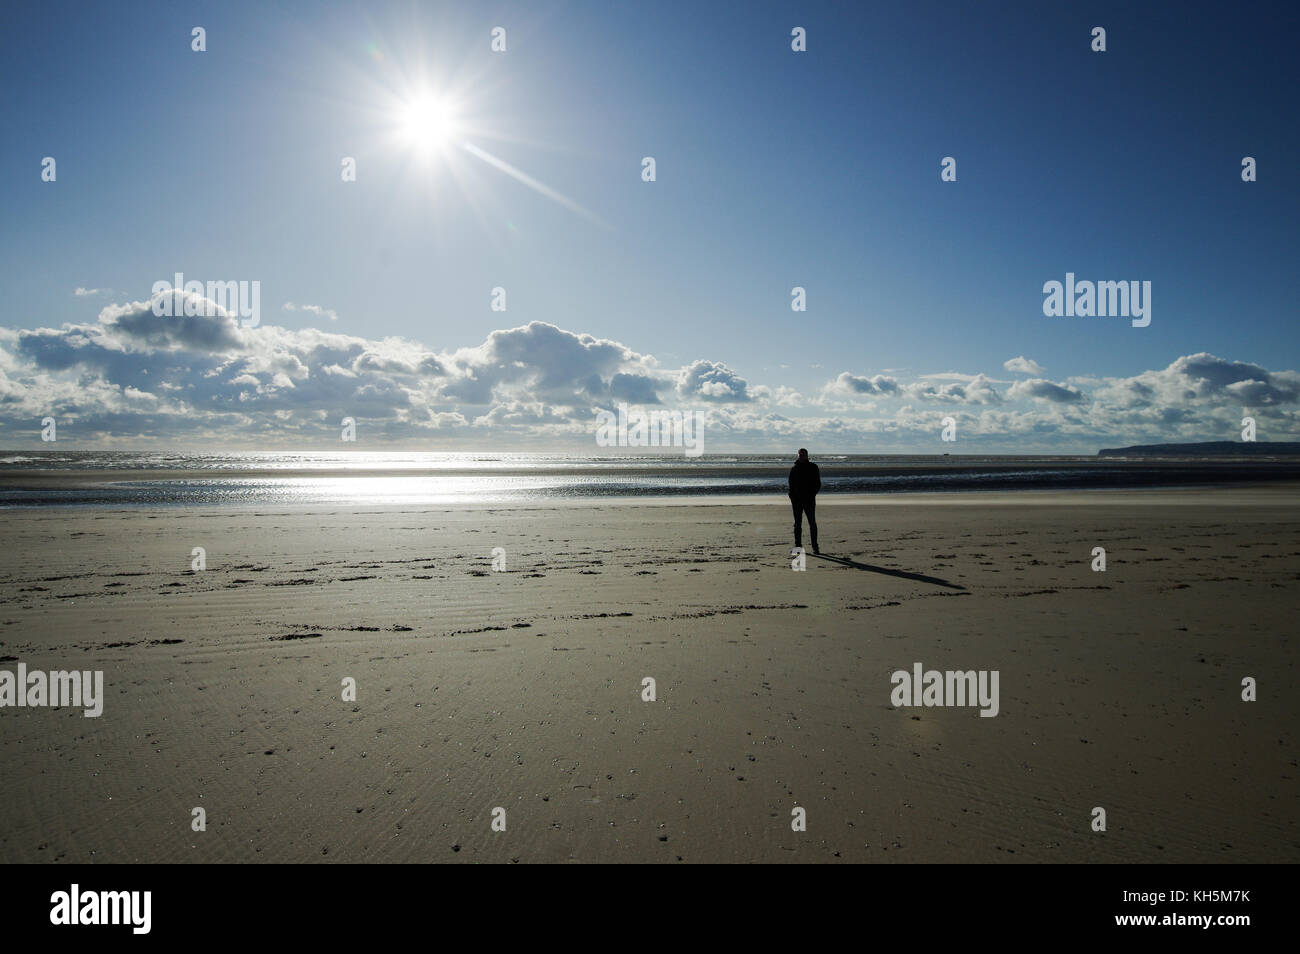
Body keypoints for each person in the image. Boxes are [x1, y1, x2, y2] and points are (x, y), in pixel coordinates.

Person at [787, 448, 821, 554]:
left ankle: (815, 547)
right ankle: (798, 546)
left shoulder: (813, 467)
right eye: (800, 455)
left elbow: (818, 484)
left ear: (807, 456)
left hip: (809, 500)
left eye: (803, 455)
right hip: (796, 501)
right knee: (797, 524)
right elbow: (790, 484)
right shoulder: (794, 468)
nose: (802, 456)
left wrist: (812, 494)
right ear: (798, 456)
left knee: (812, 523)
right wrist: (791, 496)